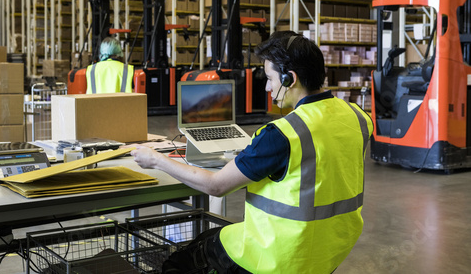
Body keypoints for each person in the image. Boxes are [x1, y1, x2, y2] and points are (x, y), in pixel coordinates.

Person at [130, 31, 373, 274]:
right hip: (331, 249)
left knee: (187, 256)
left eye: (270, 78)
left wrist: (156, 159)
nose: (268, 87)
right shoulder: (359, 118)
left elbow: (216, 187)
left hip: (279, 255)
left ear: (290, 79)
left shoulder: (283, 134)